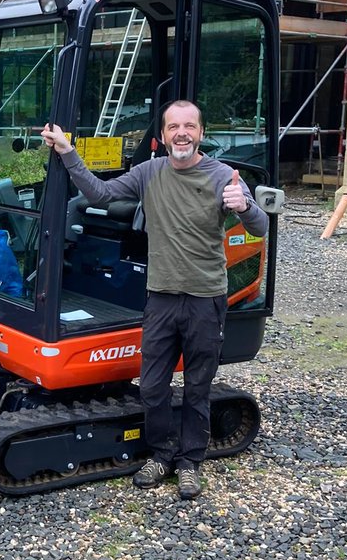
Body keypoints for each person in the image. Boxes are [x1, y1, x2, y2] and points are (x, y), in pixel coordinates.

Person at [41, 100, 268, 500]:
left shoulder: (223, 177)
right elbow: (101, 192)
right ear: (162, 136)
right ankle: (161, 454)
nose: (181, 133)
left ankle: (190, 462)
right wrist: (67, 151)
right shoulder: (149, 172)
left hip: (205, 299)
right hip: (161, 298)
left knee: (198, 385)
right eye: (173, 127)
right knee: (152, 385)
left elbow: (260, 226)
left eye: (189, 126)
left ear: (200, 132)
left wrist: (245, 207)